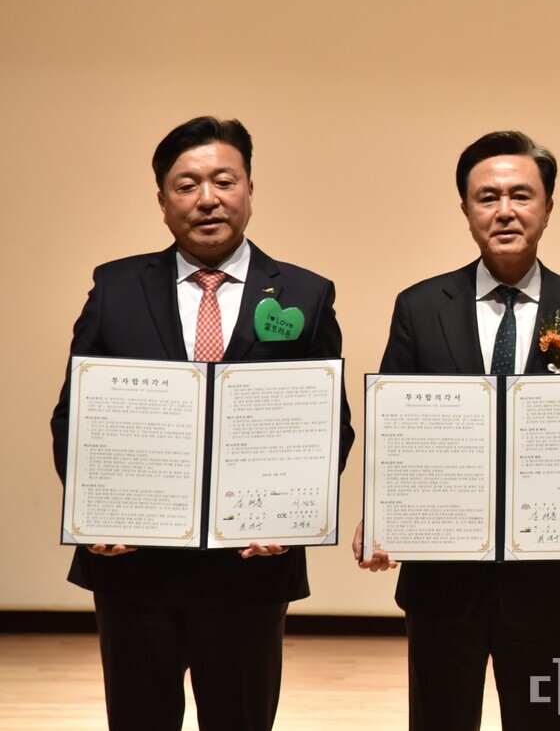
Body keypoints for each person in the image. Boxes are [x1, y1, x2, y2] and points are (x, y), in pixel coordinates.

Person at [50, 116, 355, 730]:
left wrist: (293, 515)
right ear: (162, 200)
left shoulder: (305, 294)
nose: (208, 199)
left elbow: (330, 424)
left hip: (250, 567)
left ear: (250, 190)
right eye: (187, 185)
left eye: (224, 180)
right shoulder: (115, 287)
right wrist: (93, 510)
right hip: (134, 565)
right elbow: (73, 416)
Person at [353, 130, 560, 730]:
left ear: (548, 207)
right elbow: (395, 432)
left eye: (521, 195)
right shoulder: (419, 307)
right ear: (466, 209)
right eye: (487, 197)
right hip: (442, 582)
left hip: (549, 584)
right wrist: (381, 513)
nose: (505, 211)